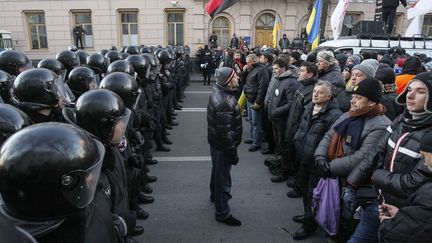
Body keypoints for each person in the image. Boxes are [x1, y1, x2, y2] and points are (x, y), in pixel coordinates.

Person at [347, 72, 432, 243]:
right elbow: (376, 151)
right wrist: (352, 182)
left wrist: (376, 176)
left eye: (421, 91)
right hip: (379, 204)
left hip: (407, 215)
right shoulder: (401, 120)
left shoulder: (429, 137)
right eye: (409, 89)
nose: (410, 94)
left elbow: (416, 181)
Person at [314, 78, 391, 242]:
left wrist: (330, 166)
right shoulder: (349, 115)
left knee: (347, 220)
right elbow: (329, 135)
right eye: (353, 96)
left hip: (354, 184)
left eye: (359, 97)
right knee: (333, 212)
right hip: (336, 176)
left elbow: (361, 157)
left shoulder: (380, 125)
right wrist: (320, 157)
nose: (352, 100)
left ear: (372, 103)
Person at [291, 81, 343, 240]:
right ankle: (308, 215)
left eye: (320, 92)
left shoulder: (335, 115)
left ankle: (309, 225)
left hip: (316, 161)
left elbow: (329, 141)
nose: (315, 94)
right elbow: (301, 128)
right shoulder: (309, 107)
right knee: (305, 190)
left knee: (312, 193)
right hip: (303, 157)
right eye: (315, 91)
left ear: (329, 96)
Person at [377, 131, 432, 242]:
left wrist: (387, 224)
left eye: (425, 156)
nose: (425, 163)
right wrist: (401, 215)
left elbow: (395, 236)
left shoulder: (428, 197)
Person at [207, 67, 242, 226]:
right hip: (223, 147)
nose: (237, 77)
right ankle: (222, 213)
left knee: (217, 172)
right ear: (228, 81)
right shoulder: (225, 102)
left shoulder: (220, 94)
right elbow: (225, 134)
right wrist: (233, 154)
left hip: (216, 145)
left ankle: (215, 196)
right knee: (223, 179)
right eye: (235, 76)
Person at [243, 53, 270, 152]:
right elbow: (245, 81)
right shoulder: (251, 69)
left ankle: (256, 143)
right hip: (249, 97)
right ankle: (252, 138)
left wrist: (258, 101)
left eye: (249, 62)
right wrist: (245, 71)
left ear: (255, 61)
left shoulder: (262, 70)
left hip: (255, 99)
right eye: (247, 62)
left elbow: (263, 87)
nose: (247, 64)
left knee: (256, 123)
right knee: (250, 120)